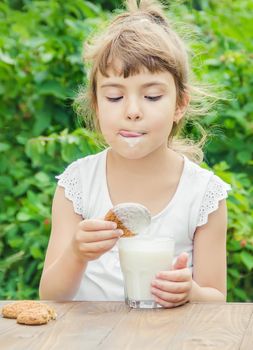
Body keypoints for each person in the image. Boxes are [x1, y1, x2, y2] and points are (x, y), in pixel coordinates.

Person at [39, 0, 230, 308]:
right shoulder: (78, 184)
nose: (132, 111)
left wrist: (190, 292)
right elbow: (50, 296)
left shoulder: (203, 193)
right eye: (114, 96)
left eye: (152, 96)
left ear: (180, 104)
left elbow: (216, 299)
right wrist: (76, 253)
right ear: (97, 104)